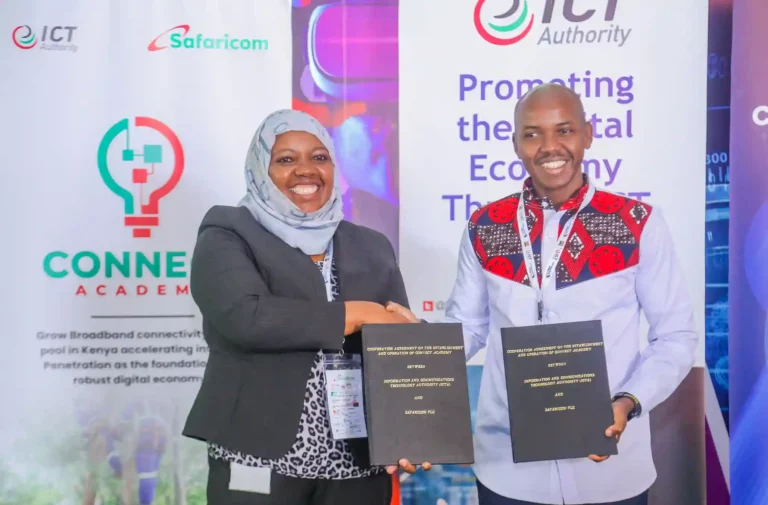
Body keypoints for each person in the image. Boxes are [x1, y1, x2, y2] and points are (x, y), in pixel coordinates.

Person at [388, 84, 698, 505]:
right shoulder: (486, 225)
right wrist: (415, 348)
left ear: (587, 135)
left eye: (564, 130)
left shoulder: (636, 223)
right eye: (533, 134)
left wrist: (628, 401)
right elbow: (469, 328)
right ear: (516, 143)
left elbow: (675, 338)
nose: (550, 146)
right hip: (508, 471)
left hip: (611, 468)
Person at [183, 109, 427, 505]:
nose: (305, 170)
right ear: (261, 168)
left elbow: (395, 343)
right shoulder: (228, 232)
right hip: (258, 454)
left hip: (357, 463)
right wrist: (357, 313)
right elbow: (247, 318)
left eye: (319, 157)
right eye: (285, 159)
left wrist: (412, 429)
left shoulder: (370, 244)